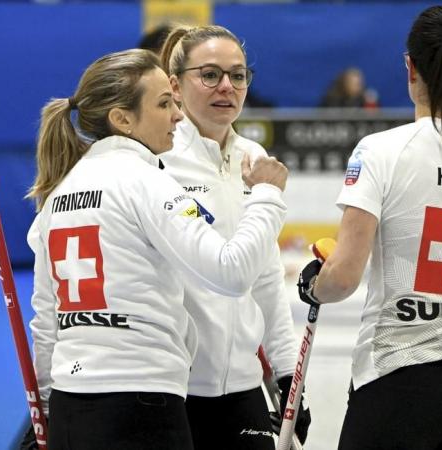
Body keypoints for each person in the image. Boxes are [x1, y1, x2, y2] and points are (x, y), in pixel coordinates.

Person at [24, 48, 288, 449]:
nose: (177, 116)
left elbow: (47, 321)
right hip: (140, 405)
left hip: (70, 406)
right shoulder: (145, 179)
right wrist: (267, 196)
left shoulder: (60, 190)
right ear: (122, 119)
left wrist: (44, 408)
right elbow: (230, 273)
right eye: (164, 104)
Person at [296, 6, 442, 450]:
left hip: (398, 375)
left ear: (410, 68)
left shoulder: (382, 150)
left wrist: (313, 285)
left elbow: (342, 279)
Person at [159, 25, 310, 449]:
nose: (226, 86)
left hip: (243, 384)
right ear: (175, 84)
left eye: (238, 75)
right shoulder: (157, 162)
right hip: (173, 387)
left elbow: (265, 277)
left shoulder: (255, 161)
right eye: (209, 75)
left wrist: (286, 374)